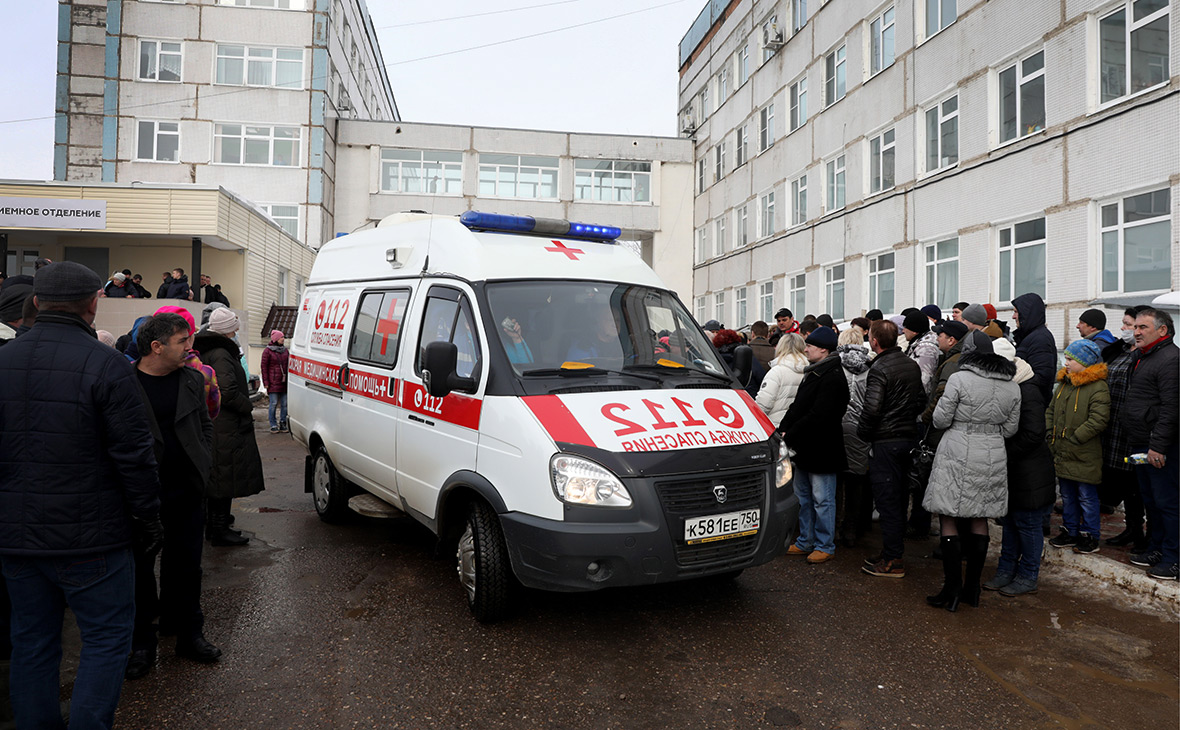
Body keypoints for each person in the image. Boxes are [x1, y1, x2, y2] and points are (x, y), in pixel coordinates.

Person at [0, 262, 163, 729]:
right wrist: (148, 519)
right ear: (94, 302)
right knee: (108, 639)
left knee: (31, 642)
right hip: (92, 540)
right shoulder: (107, 364)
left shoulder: (4, 361)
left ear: (36, 302)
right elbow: (135, 455)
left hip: (18, 540)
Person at [126, 313, 220, 680]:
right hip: (140, 496)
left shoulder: (193, 380)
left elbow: (205, 425)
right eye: (182, 341)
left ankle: (189, 635)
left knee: (186, 568)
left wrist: (203, 463)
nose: (189, 347)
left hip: (186, 491)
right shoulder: (124, 381)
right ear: (156, 346)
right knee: (140, 572)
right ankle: (142, 644)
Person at [922, 331, 1020, 611]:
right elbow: (1011, 428)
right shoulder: (1011, 385)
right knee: (980, 516)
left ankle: (951, 590)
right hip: (992, 452)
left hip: (957, 449)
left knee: (948, 515)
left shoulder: (959, 378)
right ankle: (972, 590)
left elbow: (940, 419)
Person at [984, 348, 1056, 597]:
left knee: (1027, 524)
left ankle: (1028, 575)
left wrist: (1004, 451)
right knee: (1011, 523)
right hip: (1016, 470)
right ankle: (1005, 570)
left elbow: (1034, 433)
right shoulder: (1011, 388)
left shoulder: (1028, 390)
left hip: (1030, 472)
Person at [859, 320, 925, 578]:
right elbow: (921, 399)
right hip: (906, 438)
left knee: (888, 501)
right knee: (897, 499)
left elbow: (872, 408)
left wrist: (865, 433)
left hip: (886, 441)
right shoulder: (910, 364)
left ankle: (893, 559)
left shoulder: (880, 368)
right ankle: (890, 552)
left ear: (874, 341)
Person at [194, 307, 265, 547]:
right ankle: (219, 529)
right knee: (224, 477)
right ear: (227, 331)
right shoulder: (222, 353)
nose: (237, 331)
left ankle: (217, 527)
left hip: (220, 423)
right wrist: (247, 406)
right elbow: (228, 391)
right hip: (226, 424)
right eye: (234, 328)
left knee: (220, 476)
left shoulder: (211, 349)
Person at [780, 325, 849, 564]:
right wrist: (783, 428)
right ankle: (805, 540)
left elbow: (820, 414)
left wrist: (791, 431)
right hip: (807, 446)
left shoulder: (832, 376)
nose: (805, 349)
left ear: (823, 349)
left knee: (822, 499)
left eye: (809, 345)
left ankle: (824, 544)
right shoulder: (816, 371)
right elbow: (798, 406)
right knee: (804, 497)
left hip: (822, 447)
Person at [1124, 308, 1179, 580]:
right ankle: (1156, 548)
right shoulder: (1143, 357)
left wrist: (1157, 446)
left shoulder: (1170, 359)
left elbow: (1171, 407)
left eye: (1143, 327)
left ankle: (1173, 557)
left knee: (1168, 502)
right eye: (1135, 327)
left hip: (1160, 446)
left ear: (1162, 331)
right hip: (1140, 442)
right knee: (1151, 501)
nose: (1136, 332)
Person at [1046, 339, 1110, 555]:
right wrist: (1050, 433)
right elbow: (1051, 410)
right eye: (1066, 358)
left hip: (1083, 453)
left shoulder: (1097, 387)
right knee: (1067, 495)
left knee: (1086, 497)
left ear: (1084, 362)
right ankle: (1070, 530)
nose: (1066, 362)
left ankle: (1090, 534)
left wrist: (1075, 438)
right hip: (1062, 451)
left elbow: (1099, 419)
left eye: (1070, 359)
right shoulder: (1065, 384)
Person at [911, 319, 969, 541]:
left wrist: (926, 418)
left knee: (928, 479)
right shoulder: (950, 358)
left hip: (937, 432)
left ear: (952, 339)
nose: (937, 339)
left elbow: (941, 397)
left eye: (941, 336)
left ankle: (923, 527)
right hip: (939, 430)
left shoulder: (953, 363)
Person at [1102, 307, 1149, 549]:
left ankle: (1142, 534)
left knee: (1138, 484)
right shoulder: (1119, 352)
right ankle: (1131, 528)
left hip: (1136, 432)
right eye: (1125, 324)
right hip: (1115, 431)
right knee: (1127, 484)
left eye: (1128, 324)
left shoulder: (1146, 355)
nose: (1124, 329)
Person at [836, 327, 872, 547]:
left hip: (837, 427)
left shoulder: (834, 365)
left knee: (835, 480)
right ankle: (851, 528)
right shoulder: (871, 368)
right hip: (860, 429)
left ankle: (834, 527)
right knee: (856, 480)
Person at [1012, 293, 1057, 401]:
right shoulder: (1030, 337)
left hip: (1034, 405)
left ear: (1027, 313)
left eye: (1016, 312)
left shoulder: (1040, 339)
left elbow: (1041, 378)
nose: (1013, 316)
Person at [755, 332, 806, 427]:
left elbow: (763, 404)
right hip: (797, 427)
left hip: (774, 426)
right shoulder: (808, 371)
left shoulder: (776, 372)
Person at [713, 328, 763, 398]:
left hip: (722, 398)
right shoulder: (746, 356)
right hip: (747, 397)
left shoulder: (714, 359)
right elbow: (761, 377)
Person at [903, 311, 939, 395]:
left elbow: (924, 380)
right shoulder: (918, 344)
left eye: (906, 327)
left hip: (919, 400)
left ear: (914, 331)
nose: (903, 331)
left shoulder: (926, 350)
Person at [261, 329, 290, 433]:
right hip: (273, 383)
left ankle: (283, 423)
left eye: (283, 337)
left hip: (284, 382)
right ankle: (273, 424)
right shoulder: (267, 351)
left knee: (285, 404)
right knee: (273, 403)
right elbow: (264, 367)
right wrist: (266, 382)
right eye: (281, 337)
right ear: (276, 339)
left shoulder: (285, 351)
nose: (283, 339)